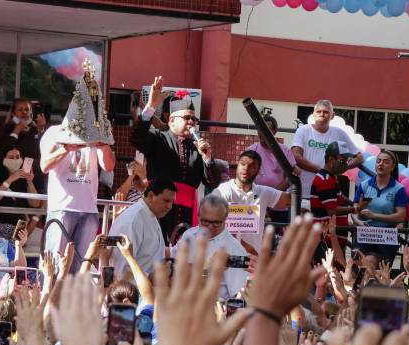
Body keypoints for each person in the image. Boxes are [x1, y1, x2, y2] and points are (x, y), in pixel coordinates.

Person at [41, 61, 115, 272]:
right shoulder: (54, 133)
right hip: (62, 208)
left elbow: (108, 167)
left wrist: (105, 147)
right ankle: (49, 301)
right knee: (54, 267)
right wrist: (67, 147)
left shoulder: (97, 133)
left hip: (88, 209)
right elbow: (44, 165)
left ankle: (71, 303)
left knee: (80, 267)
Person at [131, 76, 219, 239]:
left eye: (194, 119)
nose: (191, 122)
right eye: (186, 118)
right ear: (171, 120)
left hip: (186, 214)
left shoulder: (197, 147)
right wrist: (150, 107)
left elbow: (212, 182)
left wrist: (207, 159)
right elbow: (136, 139)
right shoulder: (159, 138)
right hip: (158, 208)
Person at [210, 150, 291, 254]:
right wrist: (245, 247)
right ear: (238, 165)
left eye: (252, 166)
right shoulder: (222, 191)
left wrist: (293, 179)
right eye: (242, 164)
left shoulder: (263, 192)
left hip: (251, 263)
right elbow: (214, 225)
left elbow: (290, 200)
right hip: (225, 260)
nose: (246, 168)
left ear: (258, 171)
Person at [173, 195, 249, 300]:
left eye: (216, 222)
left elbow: (238, 295)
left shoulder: (236, 251)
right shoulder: (189, 235)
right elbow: (173, 263)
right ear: (198, 217)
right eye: (205, 221)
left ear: (225, 219)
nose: (210, 226)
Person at [292, 99, 363, 200]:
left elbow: (359, 157)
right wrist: (323, 171)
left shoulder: (339, 133)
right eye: (319, 112)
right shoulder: (303, 130)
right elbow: (296, 157)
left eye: (326, 112)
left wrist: (343, 167)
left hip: (326, 193)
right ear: (313, 114)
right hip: (302, 193)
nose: (322, 114)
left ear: (332, 115)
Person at [107, 178, 176, 278]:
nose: (170, 206)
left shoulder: (149, 214)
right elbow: (121, 269)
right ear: (151, 196)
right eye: (166, 201)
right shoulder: (134, 219)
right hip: (131, 291)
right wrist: (151, 278)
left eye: (172, 202)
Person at [353, 149, 407, 267]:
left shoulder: (398, 188)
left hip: (386, 237)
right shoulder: (364, 185)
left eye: (386, 162)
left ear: (393, 167)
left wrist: (375, 216)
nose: (381, 164)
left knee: (380, 274)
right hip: (365, 234)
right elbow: (354, 210)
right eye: (378, 161)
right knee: (361, 269)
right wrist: (357, 221)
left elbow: (401, 215)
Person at [246, 114, 298, 224]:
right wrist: (263, 197)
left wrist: (272, 195)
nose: (261, 132)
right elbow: (245, 178)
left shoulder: (285, 150)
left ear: (275, 131)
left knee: (278, 238)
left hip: (279, 203)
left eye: (266, 129)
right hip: (256, 203)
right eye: (259, 129)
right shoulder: (250, 150)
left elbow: (292, 176)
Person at [0, 146, 43, 241]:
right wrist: (10, 179)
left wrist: (29, 181)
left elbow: (35, 204)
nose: (15, 160)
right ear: (4, 160)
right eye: (11, 157)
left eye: (17, 157)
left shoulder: (23, 179)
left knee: (18, 249)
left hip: (19, 227)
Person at [0, 97, 47, 191]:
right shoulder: (7, 128)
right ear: (13, 114)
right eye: (20, 110)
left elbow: (43, 150)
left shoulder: (35, 129)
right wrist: (17, 129)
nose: (24, 112)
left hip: (33, 177)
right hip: (12, 178)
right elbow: (3, 150)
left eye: (27, 109)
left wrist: (41, 130)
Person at [309, 141, 357, 228]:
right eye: (342, 160)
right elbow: (332, 210)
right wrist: (355, 209)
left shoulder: (331, 178)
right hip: (327, 237)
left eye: (346, 160)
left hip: (331, 235)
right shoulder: (325, 179)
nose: (345, 163)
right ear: (331, 160)